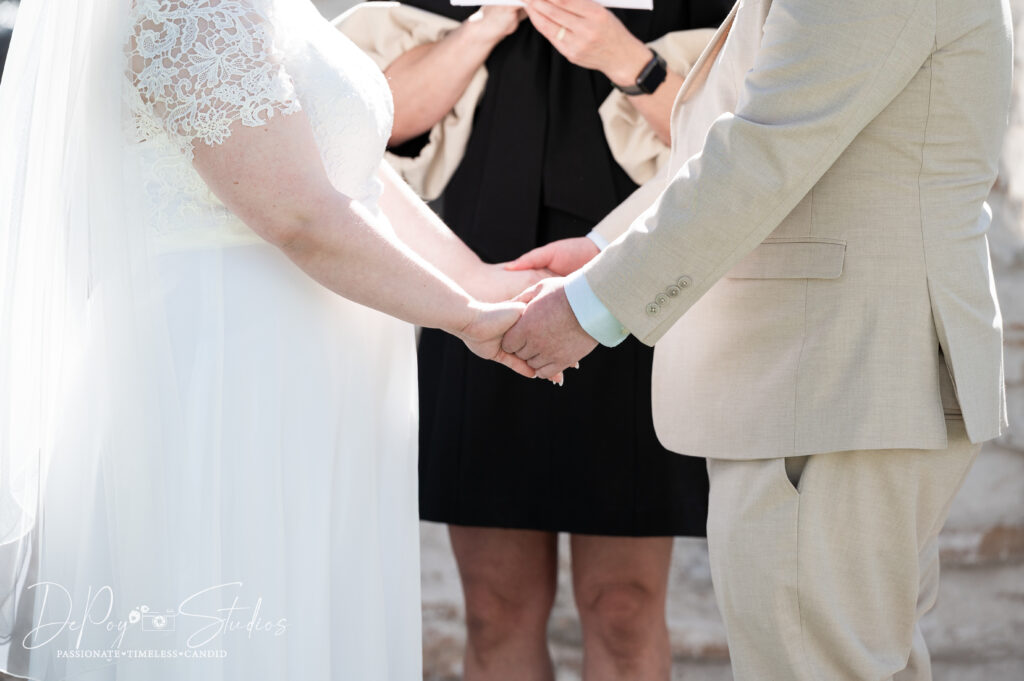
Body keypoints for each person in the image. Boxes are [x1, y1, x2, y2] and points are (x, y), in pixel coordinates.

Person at [0, 0, 549, 679]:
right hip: (228, 375)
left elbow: (345, 168)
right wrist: (464, 316)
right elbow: (298, 213)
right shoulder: (185, 10)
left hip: (315, 379)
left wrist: (483, 283)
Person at [503, 0, 1012, 678]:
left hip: (830, 379)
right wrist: (605, 249)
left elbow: (764, 150)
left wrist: (594, 306)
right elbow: (752, 135)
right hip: (831, 382)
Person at [377, 0, 730, 678]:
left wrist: (625, 56)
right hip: (478, 284)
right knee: (494, 606)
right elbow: (381, 119)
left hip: (633, 278)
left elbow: (730, 149)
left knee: (623, 607)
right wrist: (488, 22)